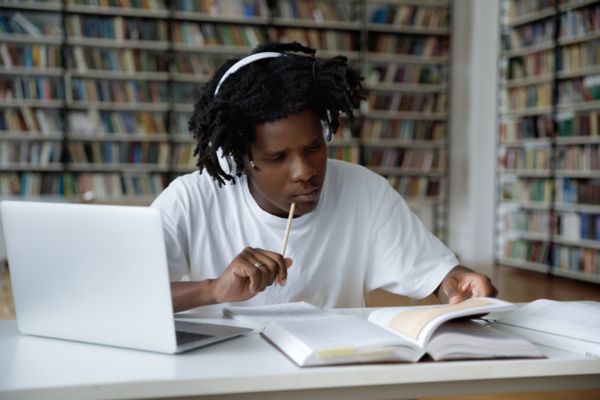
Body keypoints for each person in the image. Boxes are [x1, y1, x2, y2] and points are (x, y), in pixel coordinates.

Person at [151, 42, 497, 312]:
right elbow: (123, 295)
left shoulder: (366, 192)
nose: (305, 171)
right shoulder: (191, 199)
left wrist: (458, 282)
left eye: (314, 146)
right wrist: (212, 290)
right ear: (240, 157)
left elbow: (435, 275)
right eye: (277, 157)